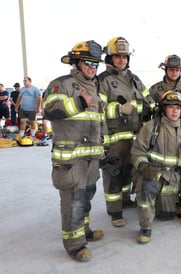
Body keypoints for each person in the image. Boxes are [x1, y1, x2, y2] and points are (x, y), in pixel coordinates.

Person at [43, 40, 106, 262]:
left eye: (95, 63)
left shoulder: (95, 87)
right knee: (73, 199)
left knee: (87, 195)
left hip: (90, 156)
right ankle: (75, 245)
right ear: (77, 62)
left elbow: (99, 120)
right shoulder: (62, 84)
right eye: (88, 62)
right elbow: (49, 110)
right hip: (71, 158)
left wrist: (103, 147)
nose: (92, 67)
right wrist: (79, 102)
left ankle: (85, 231)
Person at [98, 36, 155, 228]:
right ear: (110, 58)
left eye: (124, 56)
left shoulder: (135, 80)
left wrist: (154, 109)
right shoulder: (104, 80)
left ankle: (124, 200)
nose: (122, 60)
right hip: (114, 138)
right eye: (118, 56)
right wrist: (118, 109)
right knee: (113, 173)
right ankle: (114, 212)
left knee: (127, 172)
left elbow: (148, 101)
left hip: (134, 137)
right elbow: (97, 109)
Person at [130, 91, 181, 244]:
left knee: (166, 215)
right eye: (171, 107)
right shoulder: (151, 127)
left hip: (173, 179)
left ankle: (162, 205)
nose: (175, 111)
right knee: (146, 190)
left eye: (178, 108)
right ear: (163, 109)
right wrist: (144, 167)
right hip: (152, 175)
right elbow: (136, 152)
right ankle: (145, 227)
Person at [149, 54, 181, 129]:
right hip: (160, 130)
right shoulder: (155, 90)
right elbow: (146, 107)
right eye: (171, 69)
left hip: (180, 130)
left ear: (180, 71)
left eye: (177, 70)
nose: (174, 72)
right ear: (165, 70)